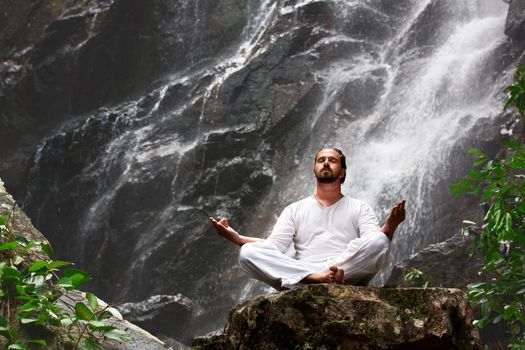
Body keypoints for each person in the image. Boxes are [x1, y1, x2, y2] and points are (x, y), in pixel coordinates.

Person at [209, 148, 406, 290]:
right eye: (321, 160)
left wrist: (390, 227)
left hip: (346, 271)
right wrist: (237, 239)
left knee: (380, 240)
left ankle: (327, 278)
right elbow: (273, 246)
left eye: (332, 160)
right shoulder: (295, 209)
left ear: (343, 172)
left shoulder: (359, 207)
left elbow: (372, 242)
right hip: (305, 272)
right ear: (314, 170)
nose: (326, 163)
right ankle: (314, 279)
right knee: (247, 252)